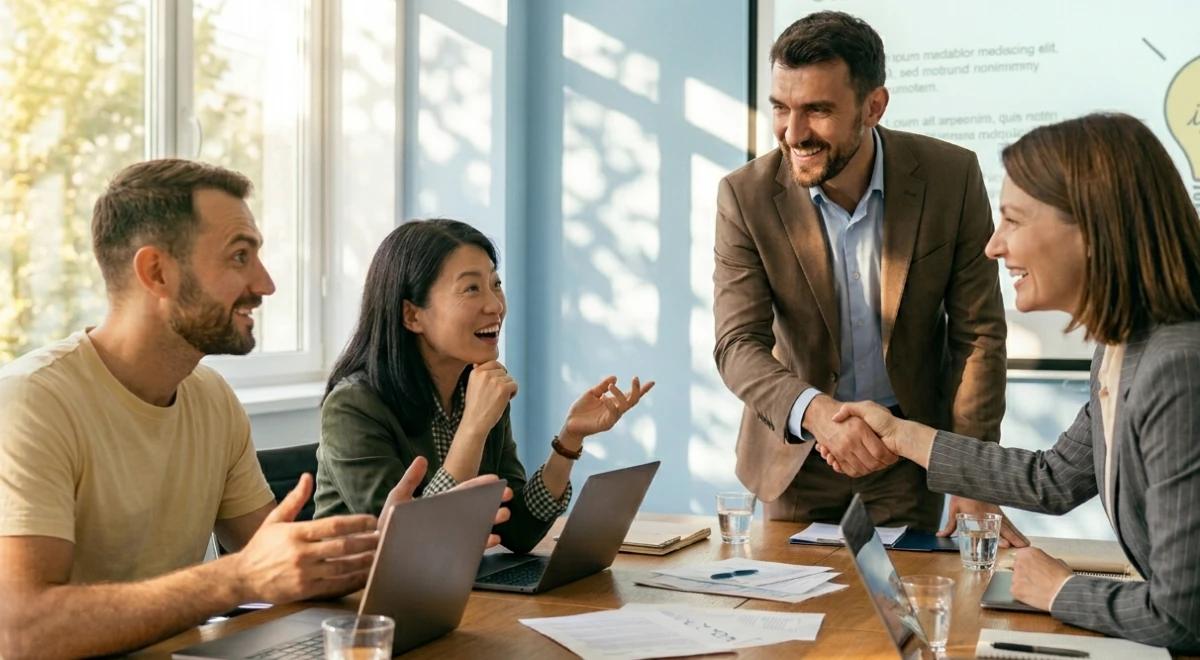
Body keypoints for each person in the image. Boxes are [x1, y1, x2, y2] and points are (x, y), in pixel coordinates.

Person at [0, 160, 509, 658]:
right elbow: (21, 631)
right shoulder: (34, 402)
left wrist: (382, 546)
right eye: (239, 257)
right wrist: (235, 578)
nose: (265, 284)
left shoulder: (210, 398)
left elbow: (282, 565)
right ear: (156, 272)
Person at [832, 113, 1200, 651]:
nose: (993, 246)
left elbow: (1183, 616)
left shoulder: (1177, 367)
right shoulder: (1124, 348)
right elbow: (1051, 480)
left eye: (1013, 221)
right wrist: (900, 435)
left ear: (1093, 228)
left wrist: (1061, 590)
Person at [712, 10, 1020, 540]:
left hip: (906, 457)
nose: (794, 132)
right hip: (797, 460)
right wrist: (818, 414)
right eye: (781, 109)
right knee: (794, 618)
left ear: (873, 106)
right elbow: (737, 343)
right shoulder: (745, 196)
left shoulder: (952, 177)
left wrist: (973, 479)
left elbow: (979, 336)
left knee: (907, 616)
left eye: (818, 110)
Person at [314, 218, 653, 553]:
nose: (495, 305)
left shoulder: (478, 389)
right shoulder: (352, 407)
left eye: (495, 284)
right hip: (356, 601)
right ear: (412, 315)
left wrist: (568, 441)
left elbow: (518, 530)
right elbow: (409, 549)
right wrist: (473, 427)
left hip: (449, 592)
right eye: (471, 288)